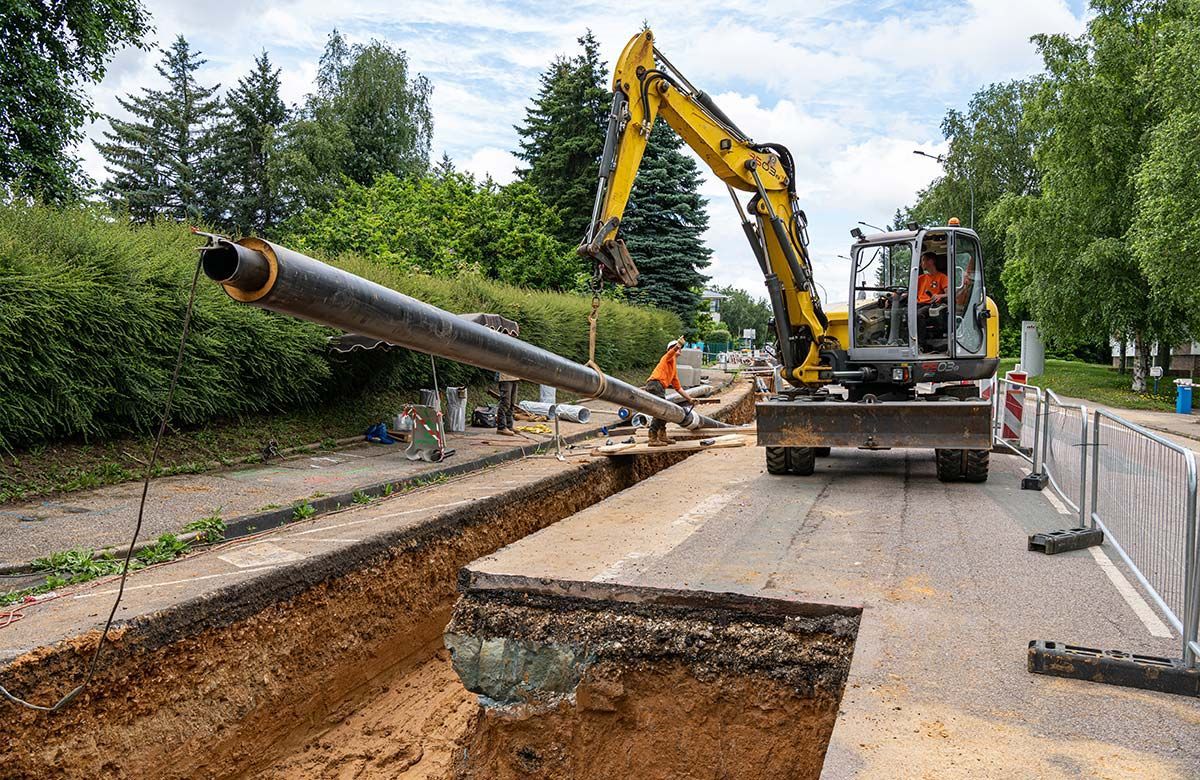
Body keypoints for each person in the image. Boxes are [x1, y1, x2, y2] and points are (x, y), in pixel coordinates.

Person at [642, 338, 695, 446]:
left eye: (680, 348)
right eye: (678, 348)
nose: (680, 349)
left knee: (664, 411)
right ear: (671, 349)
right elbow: (670, 353)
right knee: (661, 411)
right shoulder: (667, 358)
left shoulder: (673, 368)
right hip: (655, 384)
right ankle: (652, 437)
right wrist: (678, 344)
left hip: (658, 386)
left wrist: (689, 399)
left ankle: (662, 435)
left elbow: (678, 388)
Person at [495, 370, 519, 436]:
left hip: (515, 376)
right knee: (505, 403)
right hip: (505, 377)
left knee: (512, 403)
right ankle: (501, 427)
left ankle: (509, 426)